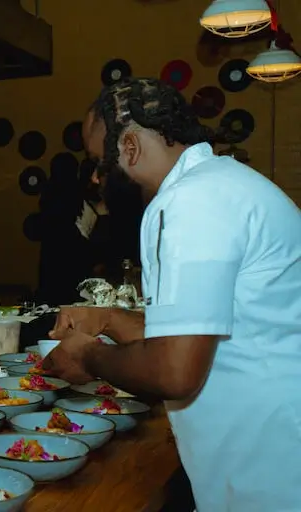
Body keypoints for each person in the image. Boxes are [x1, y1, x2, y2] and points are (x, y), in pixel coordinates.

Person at [45, 77, 301, 512]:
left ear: (129, 148)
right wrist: (108, 318)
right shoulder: (221, 181)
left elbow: (175, 371)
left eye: (97, 163)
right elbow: (200, 329)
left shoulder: (188, 202)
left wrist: (88, 356)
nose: (94, 177)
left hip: (271, 468)